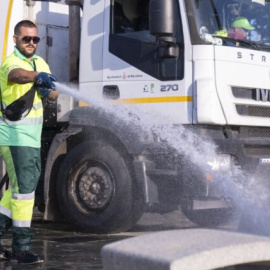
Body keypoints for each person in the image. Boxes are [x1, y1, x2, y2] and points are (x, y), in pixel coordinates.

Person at [0, 20, 59, 264]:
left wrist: (48, 90)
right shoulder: (11, 62)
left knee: (17, 190)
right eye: (26, 39)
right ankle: (21, 248)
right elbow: (16, 76)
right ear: (16, 39)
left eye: (35, 39)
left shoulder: (40, 62)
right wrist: (36, 77)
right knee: (24, 192)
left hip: (31, 138)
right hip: (14, 136)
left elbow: (54, 90)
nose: (32, 43)